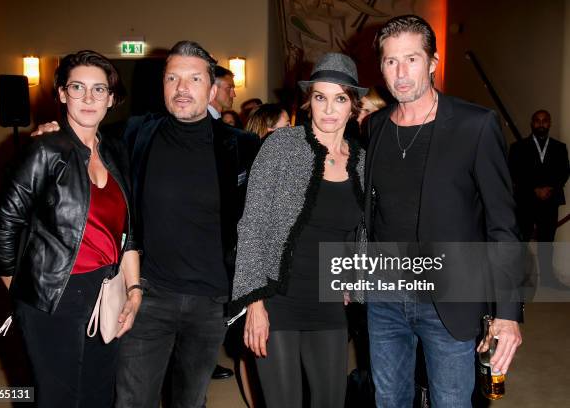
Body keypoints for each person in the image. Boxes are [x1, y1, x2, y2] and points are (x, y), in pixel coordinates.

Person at [361, 15, 523, 407]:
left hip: (449, 300)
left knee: (451, 401)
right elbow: (374, 212)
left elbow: (502, 225)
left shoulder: (476, 125)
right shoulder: (375, 127)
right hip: (384, 297)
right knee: (389, 400)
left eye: (411, 59)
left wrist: (507, 312)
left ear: (432, 62)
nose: (400, 73)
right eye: (390, 61)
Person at [0, 50, 141, 408]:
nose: (88, 98)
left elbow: (130, 231)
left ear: (112, 99)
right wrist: (24, 295)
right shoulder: (44, 150)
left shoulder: (116, 150)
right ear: (61, 93)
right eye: (78, 87)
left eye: (99, 89)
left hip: (106, 290)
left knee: (100, 395)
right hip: (52, 295)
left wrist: (134, 289)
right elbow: (0, 230)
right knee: (59, 399)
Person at [116, 41, 259, 407]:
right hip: (146, 295)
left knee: (190, 401)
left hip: (210, 301)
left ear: (212, 90)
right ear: (162, 85)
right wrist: (54, 133)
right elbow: (84, 142)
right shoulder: (135, 135)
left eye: (194, 79)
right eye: (173, 78)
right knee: (133, 399)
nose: (182, 88)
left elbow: (262, 220)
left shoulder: (242, 146)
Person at [231, 52, 367, 408]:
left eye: (340, 98)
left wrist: (354, 278)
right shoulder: (280, 147)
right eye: (320, 97)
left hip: (328, 304)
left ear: (353, 106)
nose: (329, 108)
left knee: (330, 400)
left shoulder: (362, 160)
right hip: (278, 303)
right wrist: (254, 305)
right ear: (309, 102)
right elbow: (253, 226)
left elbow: (360, 231)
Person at [509, 110, 569, 287]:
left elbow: (564, 172)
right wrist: (534, 189)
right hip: (526, 200)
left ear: (549, 123)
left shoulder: (560, 147)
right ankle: (521, 279)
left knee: (547, 241)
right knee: (522, 241)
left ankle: (549, 280)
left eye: (545, 121)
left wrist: (548, 188)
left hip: (550, 200)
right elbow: (514, 172)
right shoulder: (518, 147)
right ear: (532, 123)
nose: (541, 124)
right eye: (537, 121)